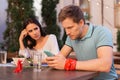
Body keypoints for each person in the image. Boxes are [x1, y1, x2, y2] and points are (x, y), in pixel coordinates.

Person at [46, 5, 118, 79]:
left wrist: (69, 64)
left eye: (70, 27)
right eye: (65, 28)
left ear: (81, 23)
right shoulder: (71, 36)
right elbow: (61, 57)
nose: (67, 32)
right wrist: (53, 61)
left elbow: (105, 65)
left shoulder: (102, 32)